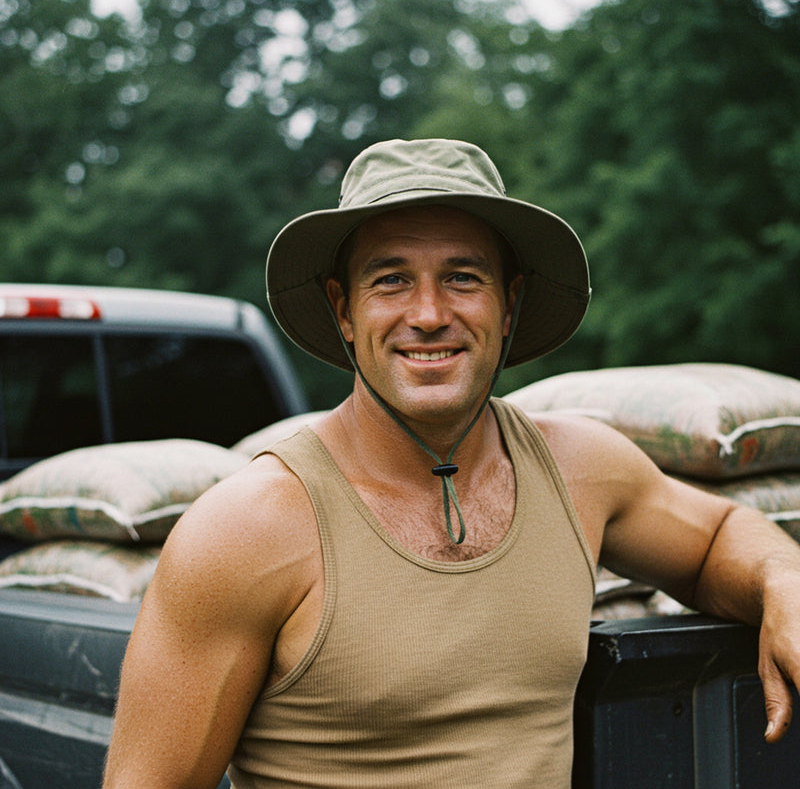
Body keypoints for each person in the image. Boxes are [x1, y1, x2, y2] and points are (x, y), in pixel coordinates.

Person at [102, 139, 800, 788]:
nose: (429, 313)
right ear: (343, 310)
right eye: (392, 281)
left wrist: (782, 578)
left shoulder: (581, 469)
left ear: (510, 303)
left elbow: (715, 538)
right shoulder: (248, 530)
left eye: (463, 278)